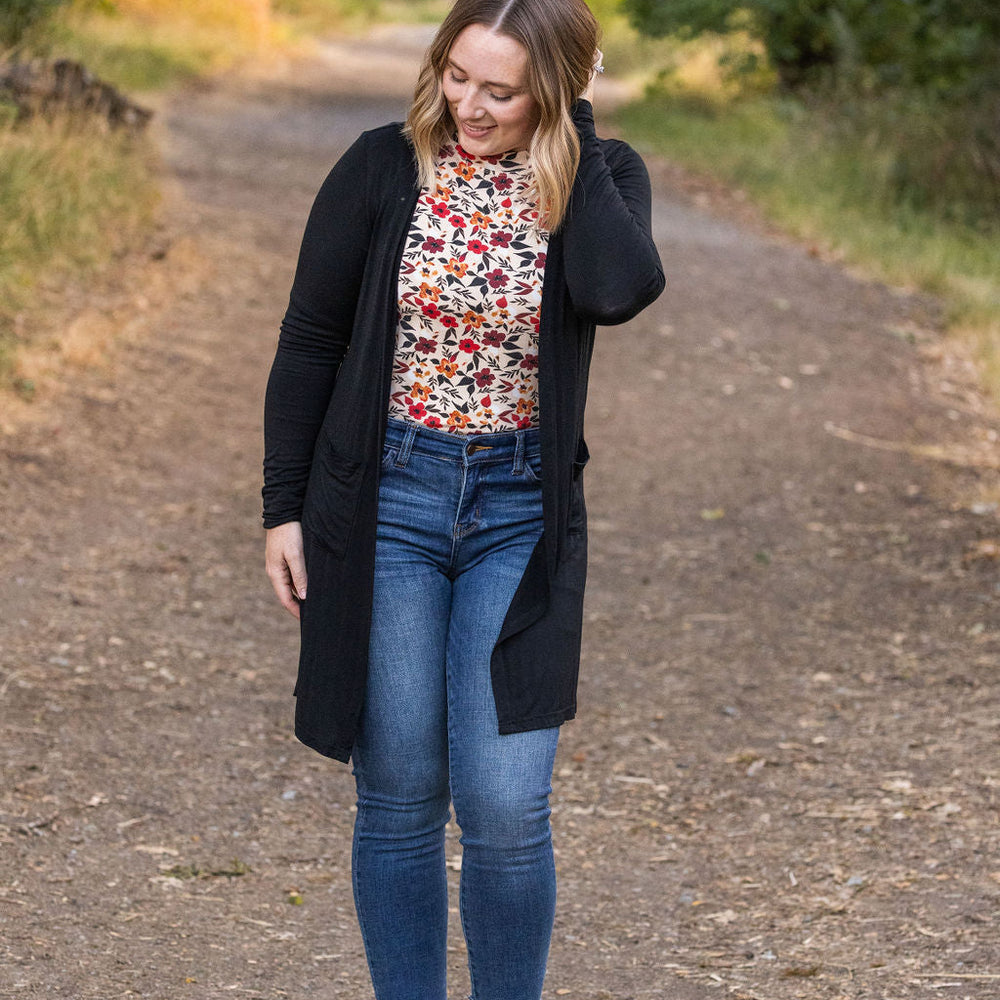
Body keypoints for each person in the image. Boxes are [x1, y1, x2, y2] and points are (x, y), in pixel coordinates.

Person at [262, 0, 664, 996]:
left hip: (519, 513)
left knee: (506, 804)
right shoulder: (379, 166)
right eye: (456, 75)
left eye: (502, 89)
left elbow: (619, 288)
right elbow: (311, 337)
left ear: (557, 92)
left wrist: (570, 138)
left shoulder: (598, 178)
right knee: (398, 794)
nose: (469, 107)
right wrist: (281, 508)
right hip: (386, 499)